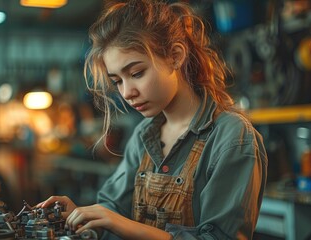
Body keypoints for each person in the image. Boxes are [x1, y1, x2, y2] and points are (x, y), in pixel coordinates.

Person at [36, 0, 268, 239]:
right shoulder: (144, 135)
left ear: (175, 56)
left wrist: (122, 224)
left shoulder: (232, 137)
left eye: (136, 73)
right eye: (117, 81)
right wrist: (87, 217)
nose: (127, 92)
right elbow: (113, 209)